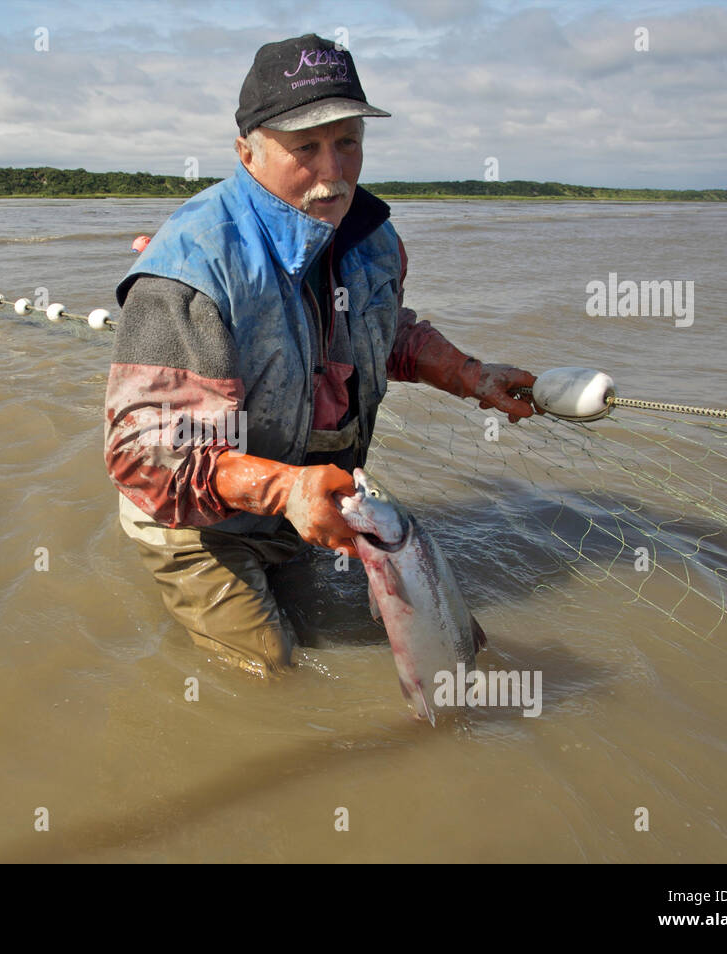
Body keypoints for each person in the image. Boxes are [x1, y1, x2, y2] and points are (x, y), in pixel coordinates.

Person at [103, 33, 538, 677]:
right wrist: (284, 488)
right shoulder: (188, 272)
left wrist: (472, 377)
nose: (333, 171)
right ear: (247, 150)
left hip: (306, 500)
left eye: (348, 142)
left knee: (332, 628)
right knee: (272, 671)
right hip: (195, 520)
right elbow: (141, 454)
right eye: (305, 147)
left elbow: (388, 335)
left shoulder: (373, 238)